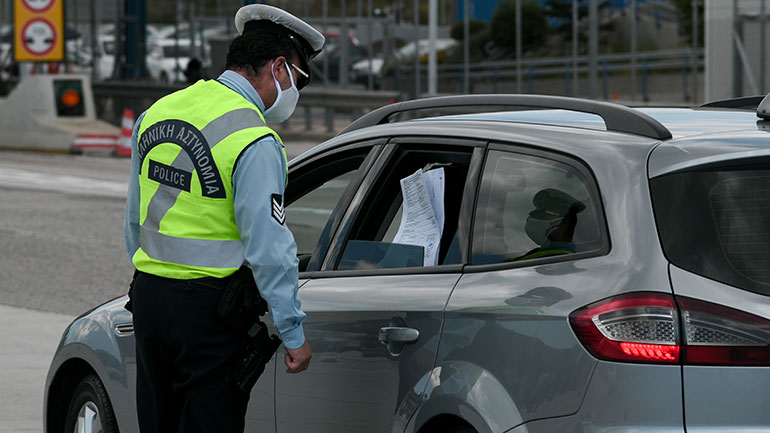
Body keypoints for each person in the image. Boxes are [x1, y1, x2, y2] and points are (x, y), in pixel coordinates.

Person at [122, 5, 324, 433]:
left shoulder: (159, 110)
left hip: (150, 300)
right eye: (300, 80)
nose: (297, 92)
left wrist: (151, 280)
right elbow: (269, 247)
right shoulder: (254, 138)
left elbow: (134, 221)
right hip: (208, 314)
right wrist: (293, 331)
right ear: (279, 67)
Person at [513, 188, 586, 261]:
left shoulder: (561, 258)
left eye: (544, 214)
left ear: (564, 222)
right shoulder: (537, 254)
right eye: (537, 213)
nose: (535, 219)